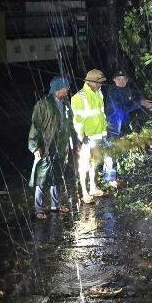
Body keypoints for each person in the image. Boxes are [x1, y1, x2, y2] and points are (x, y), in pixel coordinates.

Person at [27, 75, 73, 219]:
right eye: (65, 87)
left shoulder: (66, 103)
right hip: (46, 147)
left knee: (57, 177)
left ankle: (55, 205)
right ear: (58, 89)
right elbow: (35, 126)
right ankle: (38, 208)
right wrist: (35, 147)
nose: (67, 89)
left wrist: (72, 140)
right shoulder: (43, 104)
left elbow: (69, 123)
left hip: (60, 146)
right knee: (42, 177)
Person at [71, 69, 111, 203]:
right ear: (91, 82)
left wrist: (105, 130)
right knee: (84, 165)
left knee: (95, 163)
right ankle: (84, 192)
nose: (101, 85)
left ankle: (93, 188)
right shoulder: (78, 97)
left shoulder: (99, 93)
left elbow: (101, 113)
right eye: (99, 82)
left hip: (99, 135)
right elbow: (77, 120)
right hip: (87, 138)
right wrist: (81, 136)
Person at [106, 70, 152, 139]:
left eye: (123, 79)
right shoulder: (113, 92)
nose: (121, 82)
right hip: (114, 124)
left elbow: (131, 103)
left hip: (125, 123)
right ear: (114, 80)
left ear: (127, 80)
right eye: (118, 79)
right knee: (115, 146)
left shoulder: (127, 90)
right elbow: (121, 109)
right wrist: (141, 103)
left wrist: (143, 102)